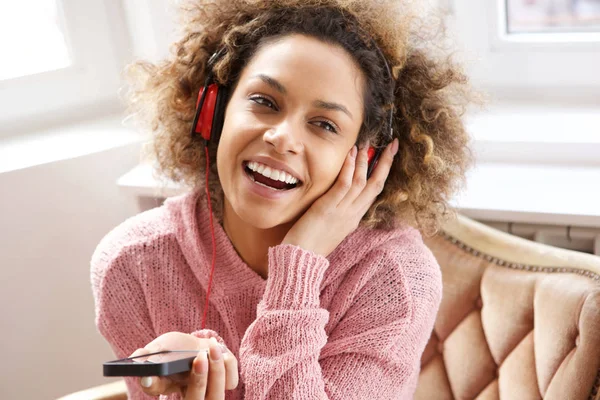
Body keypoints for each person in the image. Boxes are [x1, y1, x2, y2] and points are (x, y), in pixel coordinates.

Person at [91, 0, 474, 398]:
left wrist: (298, 266)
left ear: (365, 159)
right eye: (265, 102)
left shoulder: (393, 278)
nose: (283, 138)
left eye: (324, 124)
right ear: (213, 111)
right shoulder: (133, 263)